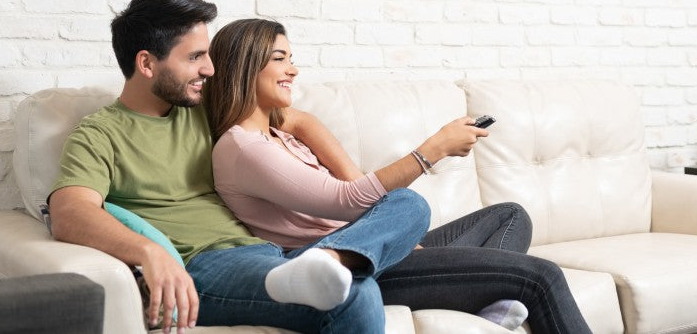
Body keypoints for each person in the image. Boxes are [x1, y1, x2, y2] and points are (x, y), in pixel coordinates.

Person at [48, 0, 417, 334]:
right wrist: (149, 251)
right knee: (353, 292)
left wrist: (353, 188)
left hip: (269, 253)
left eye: (207, 55)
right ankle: (326, 265)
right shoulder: (98, 135)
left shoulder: (203, 107)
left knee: (406, 204)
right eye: (194, 57)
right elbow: (69, 213)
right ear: (146, 63)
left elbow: (296, 119)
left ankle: (327, 259)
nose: (209, 69)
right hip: (205, 269)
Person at [205, 18, 593, 334]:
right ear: (246, 65)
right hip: (337, 269)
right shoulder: (244, 149)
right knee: (539, 277)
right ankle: (348, 262)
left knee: (509, 216)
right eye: (280, 59)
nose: (294, 69)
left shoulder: (277, 133)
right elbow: (346, 200)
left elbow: (347, 188)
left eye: (292, 58)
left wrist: (396, 237)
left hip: (375, 249)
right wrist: (433, 149)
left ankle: (482, 302)